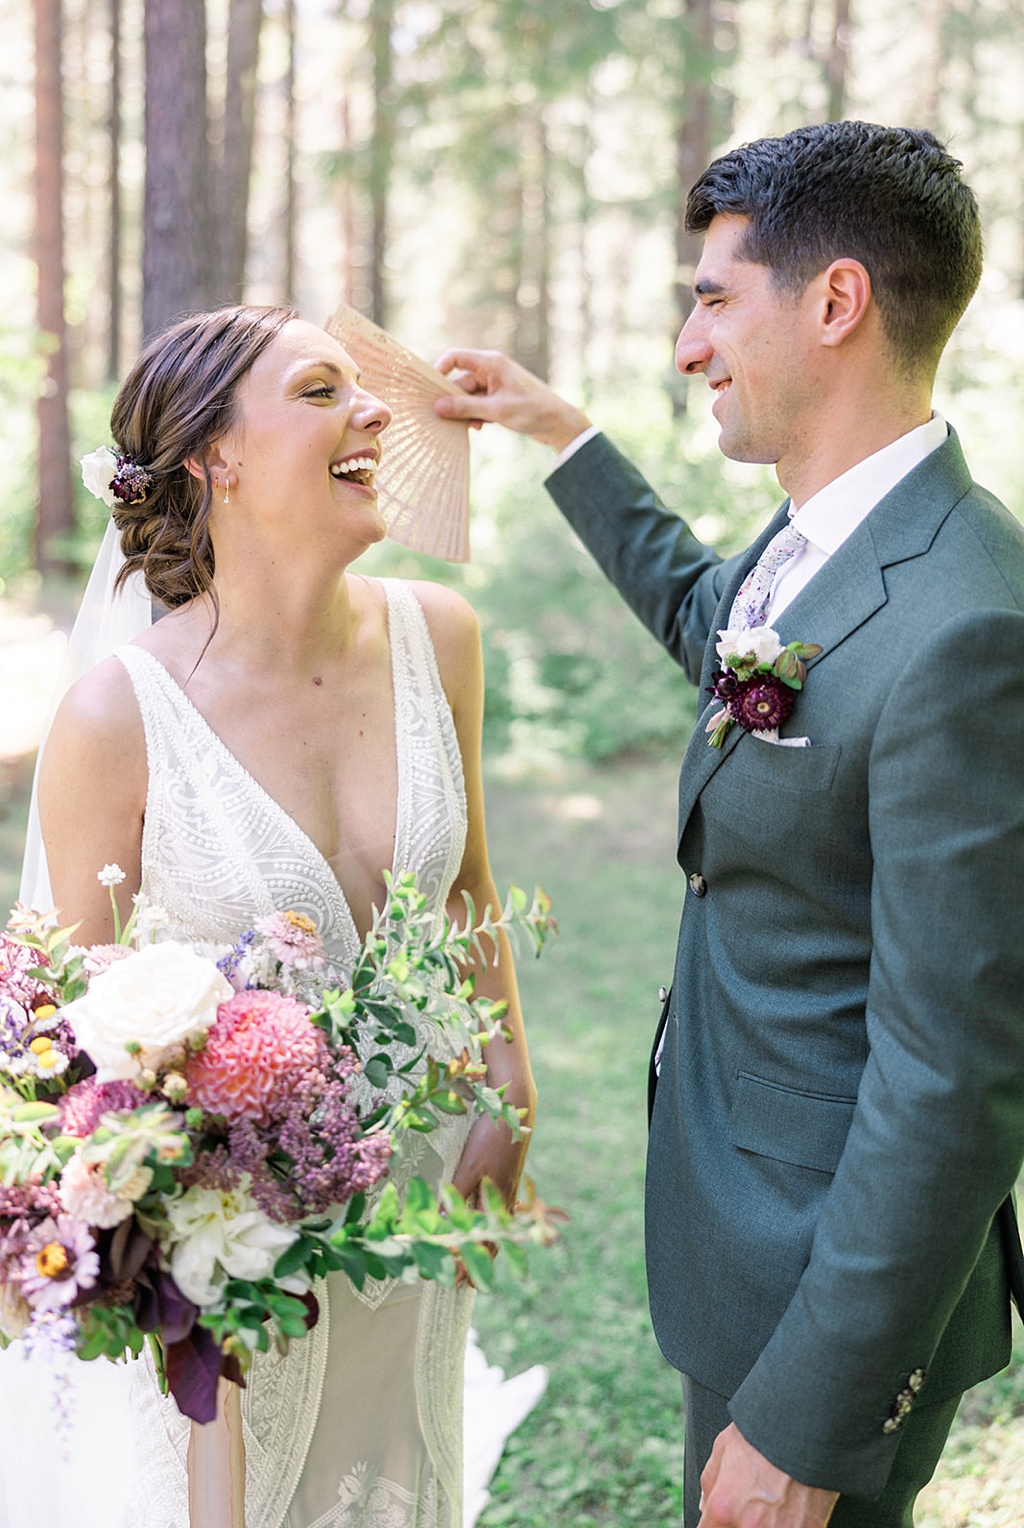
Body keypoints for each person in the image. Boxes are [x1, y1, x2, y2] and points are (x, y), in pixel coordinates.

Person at [431, 121, 1024, 1527]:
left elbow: (953, 1082)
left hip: (821, 1288)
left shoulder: (967, 626)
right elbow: (720, 632)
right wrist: (559, 433)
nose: (691, 347)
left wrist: (810, 1420)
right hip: (742, 1237)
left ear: (834, 303)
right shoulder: (823, 540)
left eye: (712, 300)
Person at [7, 303, 536, 1528]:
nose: (372, 415)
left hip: (410, 1186)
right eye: (319, 391)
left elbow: (471, 889)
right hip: (224, 1249)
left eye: (364, 389)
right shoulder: (113, 717)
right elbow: (68, 1065)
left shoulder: (440, 634)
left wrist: (512, 1085)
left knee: (389, 1477)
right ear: (215, 458)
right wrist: (184, 1243)